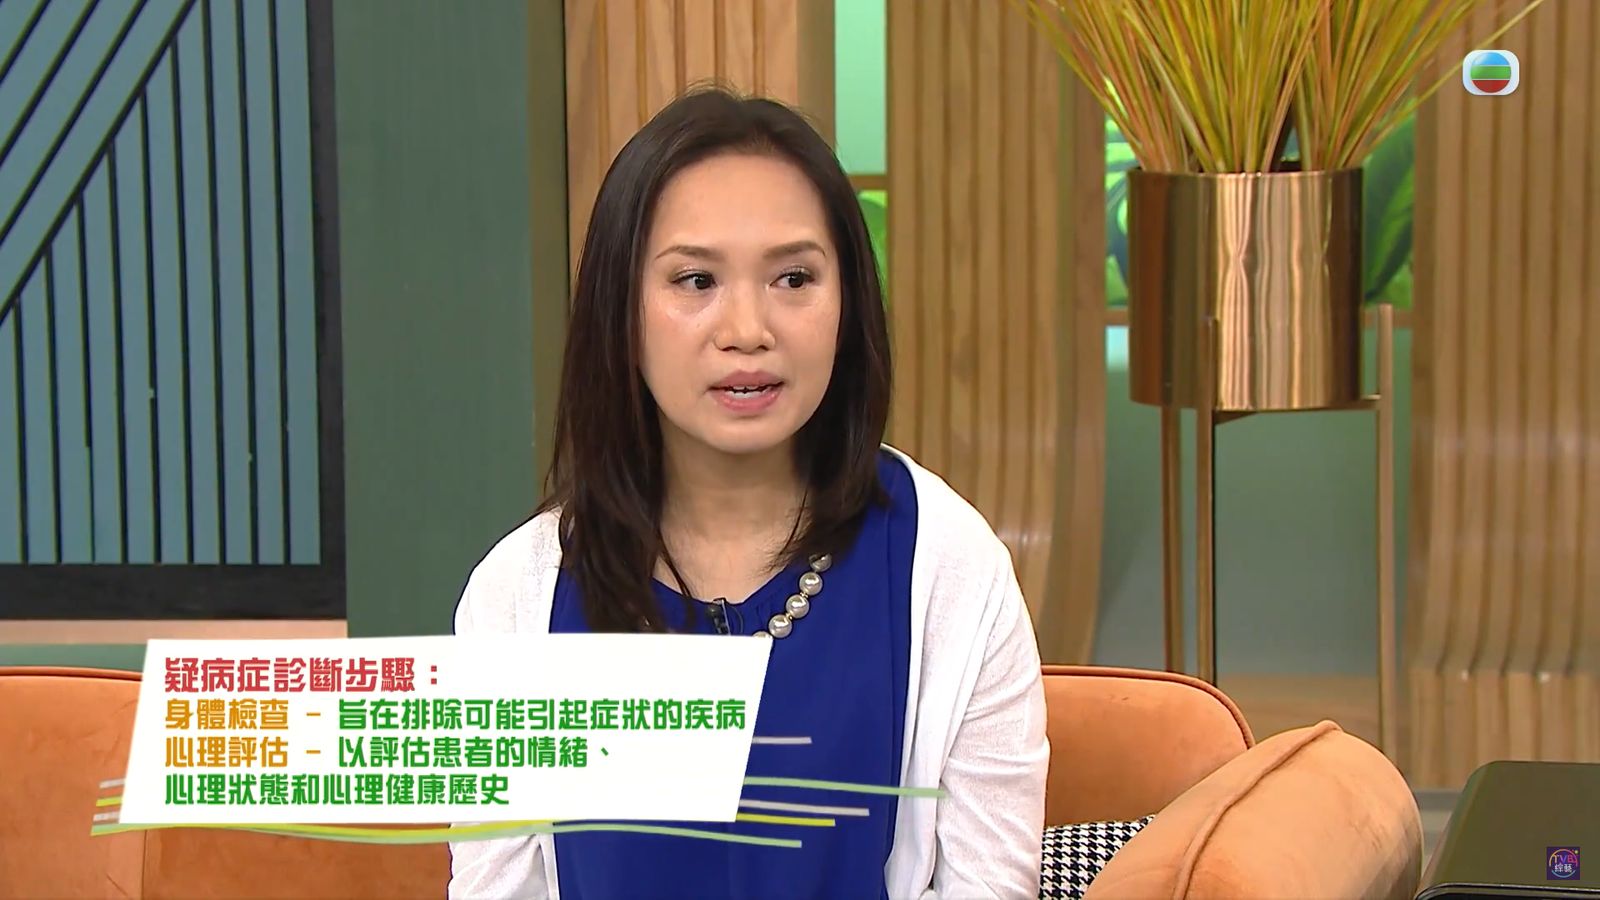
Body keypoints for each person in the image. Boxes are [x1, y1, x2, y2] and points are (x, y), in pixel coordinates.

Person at [448, 86, 1048, 899]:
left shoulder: (948, 568)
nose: (747, 331)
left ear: (848, 303)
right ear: (621, 310)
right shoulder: (517, 597)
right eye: (695, 280)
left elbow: (992, 885)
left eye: (794, 278)